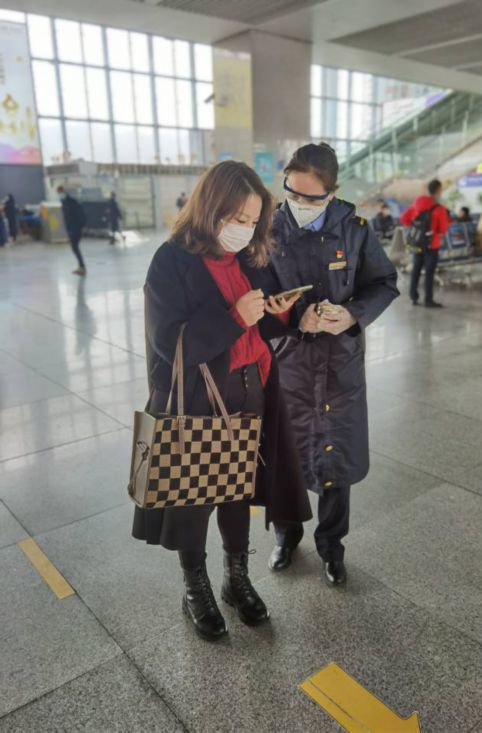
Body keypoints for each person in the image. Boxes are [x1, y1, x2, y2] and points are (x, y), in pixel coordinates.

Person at [132, 161, 312, 641]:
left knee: (237, 492)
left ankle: (237, 577)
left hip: (251, 390)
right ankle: (196, 587)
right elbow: (169, 344)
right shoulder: (171, 261)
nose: (245, 229)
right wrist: (235, 317)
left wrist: (275, 313)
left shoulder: (247, 258)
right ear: (211, 208)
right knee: (193, 497)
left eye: (252, 220)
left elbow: (257, 322)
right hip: (199, 400)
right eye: (237, 218)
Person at [264, 142, 399, 586]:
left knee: (335, 457)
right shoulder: (269, 229)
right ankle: (286, 536)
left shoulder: (355, 230)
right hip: (289, 363)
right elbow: (257, 295)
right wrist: (293, 318)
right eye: (291, 192)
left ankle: (331, 546)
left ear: (332, 192)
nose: (298, 203)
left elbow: (383, 282)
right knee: (286, 455)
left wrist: (353, 314)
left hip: (340, 365)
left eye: (311, 197)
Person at [401, 179, 451, 308]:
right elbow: (443, 229)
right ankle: (428, 300)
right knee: (429, 273)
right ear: (438, 191)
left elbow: (404, 219)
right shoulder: (439, 209)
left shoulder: (416, 204)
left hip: (417, 244)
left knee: (416, 270)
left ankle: (413, 297)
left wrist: (416, 229)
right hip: (431, 245)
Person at [57, 186, 87, 276]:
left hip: (76, 227)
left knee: (74, 247)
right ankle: (81, 267)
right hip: (71, 228)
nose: (59, 195)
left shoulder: (72, 202)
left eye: (60, 193)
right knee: (74, 247)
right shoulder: (64, 203)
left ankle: (82, 267)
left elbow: (80, 213)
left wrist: (82, 225)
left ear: (64, 192)